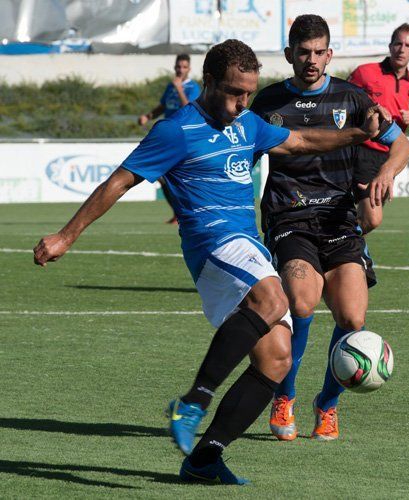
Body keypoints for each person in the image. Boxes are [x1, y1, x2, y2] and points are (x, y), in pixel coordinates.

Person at [33, 39, 388, 485]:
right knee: (275, 298)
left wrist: (358, 135)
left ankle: (204, 458)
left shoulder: (249, 124)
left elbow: (299, 141)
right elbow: (117, 183)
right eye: (234, 93)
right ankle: (192, 401)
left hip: (245, 247)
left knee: (277, 359)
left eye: (248, 93)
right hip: (212, 244)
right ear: (208, 83)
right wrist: (66, 236)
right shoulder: (175, 130)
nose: (243, 103)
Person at [250, 14, 409, 442]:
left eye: (319, 52)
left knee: (353, 317)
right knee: (301, 304)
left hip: (339, 220)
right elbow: (244, 157)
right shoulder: (266, 103)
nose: (311, 60)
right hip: (289, 216)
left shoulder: (353, 98)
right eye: (303, 52)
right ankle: (284, 397)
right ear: (289, 55)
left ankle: (328, 403)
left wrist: (386, 174)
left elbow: (402, 144)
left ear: (329, 54)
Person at [348, 23, 409, 233]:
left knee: (363, 217)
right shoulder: (365, 73)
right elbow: (342, 105)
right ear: (390, 46)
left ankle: (342, 250)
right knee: (372, 218)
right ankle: (340, 250)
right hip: (361, 151)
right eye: (398, 43)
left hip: (390, 159)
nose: (402, 49)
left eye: (408, 45)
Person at [138, 54, 202, 224]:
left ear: (189, 69)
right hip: (168, 135)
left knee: (178, 177)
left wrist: (180, 89)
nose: (180, 70)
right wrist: (148, 116)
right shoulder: (170, 86)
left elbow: (189, 109)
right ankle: (179, 213)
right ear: (174, 67)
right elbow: (163, 106)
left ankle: (187, 213)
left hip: (184, 136)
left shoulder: (192, 87)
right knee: (162, 176)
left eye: (184, 67)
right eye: (178, 67)